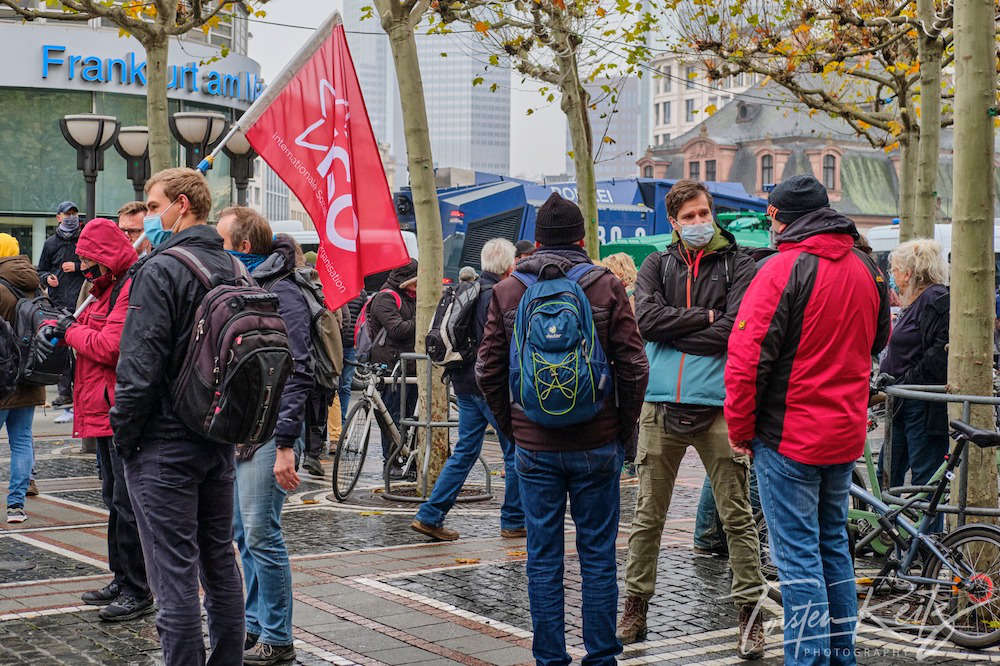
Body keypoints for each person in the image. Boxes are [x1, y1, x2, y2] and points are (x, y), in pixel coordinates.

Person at [477, 192, 648, 666]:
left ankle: (550, 657)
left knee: (543, 557)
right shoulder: (606, 286)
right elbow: (634, 366)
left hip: (534, 446)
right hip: (597, 442)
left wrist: (512, 431)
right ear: (581, 237)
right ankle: (601, 657)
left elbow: (487, 371)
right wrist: (624, 431)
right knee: (597, 555)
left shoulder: (508, 290)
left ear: (537, 239)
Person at [725, 175, 890, 665]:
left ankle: (810, 659)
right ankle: (842, 656)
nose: (768, 221)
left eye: (771, 212)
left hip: (789, 435)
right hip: (843, 432)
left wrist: (740, 430)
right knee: (833, 550)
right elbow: (877, 340)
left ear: (782, 217)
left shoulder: (782, 268)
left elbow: (747, 360)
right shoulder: (866, 266)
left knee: (798, 562)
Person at [616, 179, 764, 659]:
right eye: (690, 217)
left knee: (737, 517)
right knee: (647, 517)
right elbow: (646, 321)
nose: (700, 223)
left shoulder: (738, 263)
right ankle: (635, 607)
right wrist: (703, 318)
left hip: (720, 405)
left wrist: (682, 326)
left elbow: (735, 328)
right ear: (674, 222)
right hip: (660, 404)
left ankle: (751, 614)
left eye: (705, 214)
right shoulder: (657, 263)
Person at [110, 168, 247, 666]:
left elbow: (139, 368)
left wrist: (124, 437)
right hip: (218, 438)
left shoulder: (161, 269)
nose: (148, 216)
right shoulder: (235, 268)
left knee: (173, 578)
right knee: (219, 564)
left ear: (181, 205)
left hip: (164, 443)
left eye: (151, 206)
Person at [41, 218, 153, 620]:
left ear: (105, 259)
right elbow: (89, 331)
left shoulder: (127, 289)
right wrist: (64, 324)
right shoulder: (104, 290)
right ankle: (121, 577)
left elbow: (110, 347)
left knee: (126, 502)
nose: (86, 269)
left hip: (117, 408)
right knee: (112, 499)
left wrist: (70, 330)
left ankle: (138, 588)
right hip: (99, 407)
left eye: (91, 262)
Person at [217, 209, 310, 665]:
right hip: (244, 431)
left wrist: (287, 445)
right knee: (242, 533)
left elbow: (299, 371)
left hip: (271, 432)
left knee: (261, 532)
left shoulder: (283, 292)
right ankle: (255, 624)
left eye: (221, 239)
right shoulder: (245, 287)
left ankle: (279, 635)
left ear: (244, 246)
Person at [412, 238, 524, 542]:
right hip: (489, 385)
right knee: (514, 452)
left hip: (463, 382)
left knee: (464, 452)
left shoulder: (467, 289)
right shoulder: (498, 295)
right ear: (509, 265)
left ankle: (430, 514)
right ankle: (513, 520)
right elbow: (500, 346)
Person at [878, 240, 949, 494]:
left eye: (894, 270)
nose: (892, 276)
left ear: (908, 273)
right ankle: (891, 530)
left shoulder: (935, 300)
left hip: (921, 403)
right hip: (904, 401)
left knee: (924, 480)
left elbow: (936, 355)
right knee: (887, 471)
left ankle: (927, 533)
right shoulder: (916, 302)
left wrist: (904, 382)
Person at [0, 234, 45, 523]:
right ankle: (16, 506)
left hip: (1, 377)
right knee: (22, 441)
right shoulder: (36, 284)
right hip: (30, 375)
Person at [369, 259, 418, 471]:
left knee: (412, 416)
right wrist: (423, 317)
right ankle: (392, 461)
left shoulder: (411, 297)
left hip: (412, 367)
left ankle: (411, 459)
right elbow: (397, 330)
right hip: (391, 367)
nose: (418, 287)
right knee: (392, 416)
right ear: (405, 282)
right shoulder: (385, 298)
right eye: (416, 282)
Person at [37, 200, 84, 408]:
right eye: (67, 214)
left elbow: (96, 265)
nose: (71, 217)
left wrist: (76, 266)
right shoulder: (50, 244)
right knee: (61, 348)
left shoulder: (84, 239)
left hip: (82, 301)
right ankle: (64, 392)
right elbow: (41, 271)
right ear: (59, 217)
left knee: (81, 348)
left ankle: (79, 390)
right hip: (57, 303)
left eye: (74, 213)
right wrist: (47, 279)